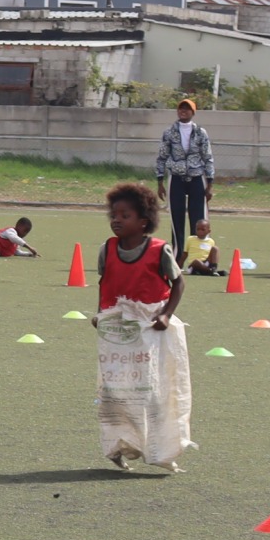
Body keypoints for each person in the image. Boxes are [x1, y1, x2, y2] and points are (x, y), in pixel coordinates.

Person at [94, 182, 191, 474]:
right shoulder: (107, 249)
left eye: (125, 215)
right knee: (115, 389)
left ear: (143, 221)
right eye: (114, 215)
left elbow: (179, 283)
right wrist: (101, 314)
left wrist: (166, 314)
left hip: (151, 328)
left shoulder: (160, 250)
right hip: (118, 331)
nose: (116, 220)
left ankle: (162, 449)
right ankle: (116, 445)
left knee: (153, 390)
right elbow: (105, 284)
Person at [153, 97, 216, 262]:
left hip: (196, 177)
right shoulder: (169, 132)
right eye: (181, 108)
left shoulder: (201, 133)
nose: (184, 111)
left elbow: (208, 157)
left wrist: (210, 183)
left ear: (193, 112)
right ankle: (177, 255)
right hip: (176, 177)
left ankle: (200, 257)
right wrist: (160, 182)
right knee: (176, 217)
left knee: (199, 218)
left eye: (187, 109)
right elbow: (161, 157)